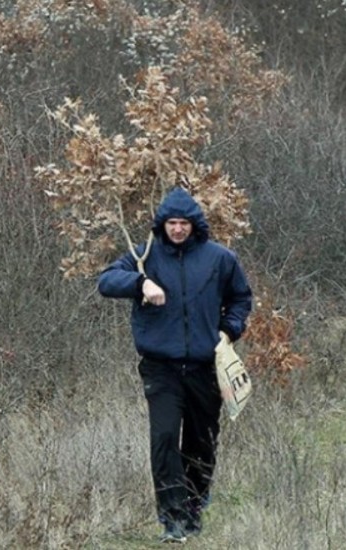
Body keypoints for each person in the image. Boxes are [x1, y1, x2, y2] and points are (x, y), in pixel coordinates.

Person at [98, 186, 253, 543]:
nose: (178, 229)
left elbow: (241, 299)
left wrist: (228, 330)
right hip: (161, 367)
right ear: (162, 225)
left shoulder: (220, 258)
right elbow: (106, 281)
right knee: (165, 438)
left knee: (202, 442)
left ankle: (194, 508)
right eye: (172, 223)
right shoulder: (145, 257)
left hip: (204, 367)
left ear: (194, 224)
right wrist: (141, 283)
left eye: (184, 223)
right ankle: (173, 519)